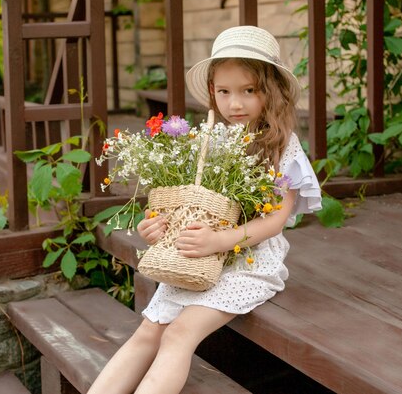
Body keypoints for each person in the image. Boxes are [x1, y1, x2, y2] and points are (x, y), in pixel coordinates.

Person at [87, 25, 322, 394]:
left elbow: (275, 220)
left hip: (249, 261)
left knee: (179, 333)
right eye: (225, 92)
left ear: (271, 91)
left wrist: (220, 240)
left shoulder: (282, 146)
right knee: (149, 330)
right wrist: (160, 225)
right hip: (199, 257)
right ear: (212, 91)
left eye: (249, 91)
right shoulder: (212, 139)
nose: (235, 104)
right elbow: (190, 201)